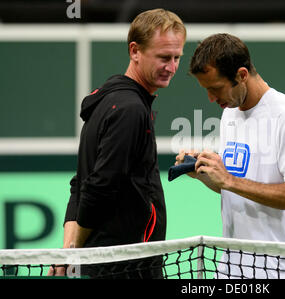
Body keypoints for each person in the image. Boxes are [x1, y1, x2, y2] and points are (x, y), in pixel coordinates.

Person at [50, 9, 186, 278]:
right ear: (135, 51)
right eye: (163, 57)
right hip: (127, 265)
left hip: (103, 262)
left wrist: (69, 249)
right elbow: (100, 187)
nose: (171, 67)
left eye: (176, 58)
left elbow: (82, 183)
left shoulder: (108, 103)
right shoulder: (130, 110)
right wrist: (72, 250)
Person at [176, 33, 285, 278]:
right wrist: (204, 173)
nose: (211, 99)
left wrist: (229, 180)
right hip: (234, 269)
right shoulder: (229, 112)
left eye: (216, 89)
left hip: (282, 272)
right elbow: (236, 188)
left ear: (241, 75)